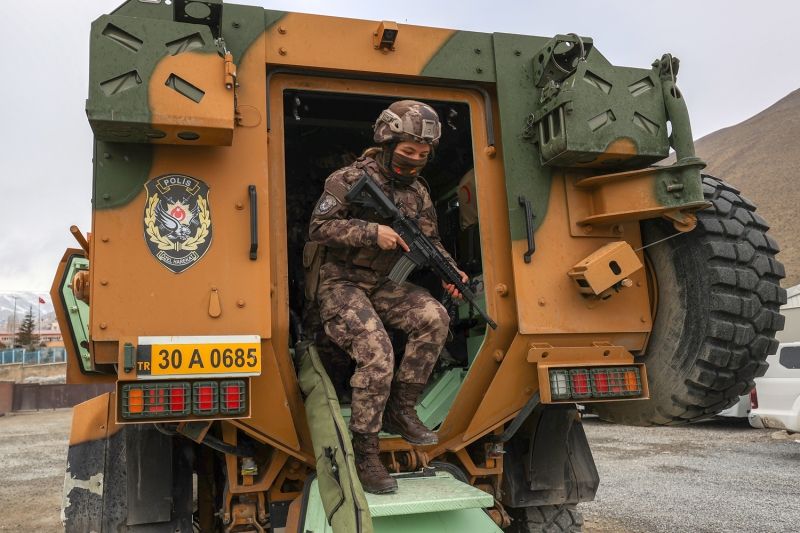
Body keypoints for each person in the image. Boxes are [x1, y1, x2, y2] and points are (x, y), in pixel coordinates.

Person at [307, 100, 467, 494]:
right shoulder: (347, 178)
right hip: (340, 282)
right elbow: (318, 228)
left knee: (434, 317)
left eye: (422, 155)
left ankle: (401, 408)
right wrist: (370, 232)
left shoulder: (418, 193)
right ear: (387, 140)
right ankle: (366, 452)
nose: (414, 161)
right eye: (407, 151)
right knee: (378, 352)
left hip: (381, 283)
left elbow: (430, 240)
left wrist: (452, 272)